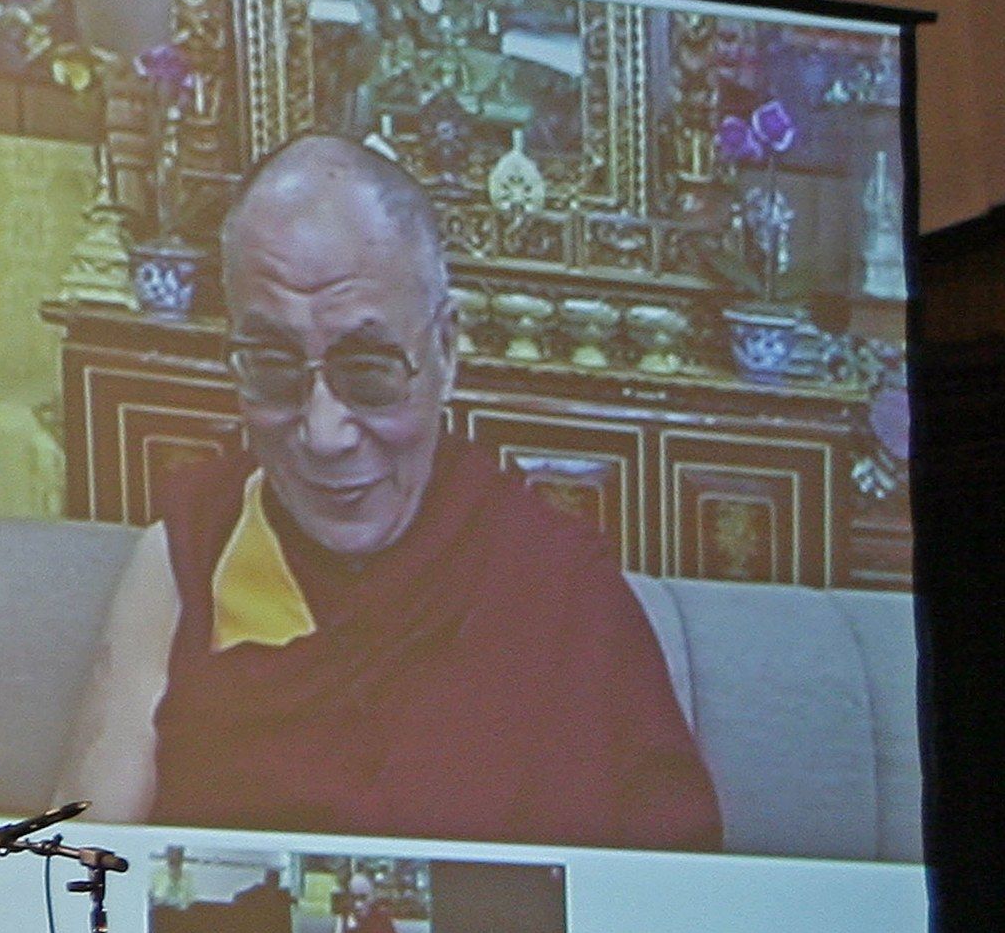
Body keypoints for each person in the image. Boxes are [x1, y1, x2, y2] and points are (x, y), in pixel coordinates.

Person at [57, 133, 722, 854]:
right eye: (273, 366)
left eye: (369, 371)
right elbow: (80, 866)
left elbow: (663, 890)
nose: (324, 434)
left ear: (446, 351)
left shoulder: (555, 583)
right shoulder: (194, 554)